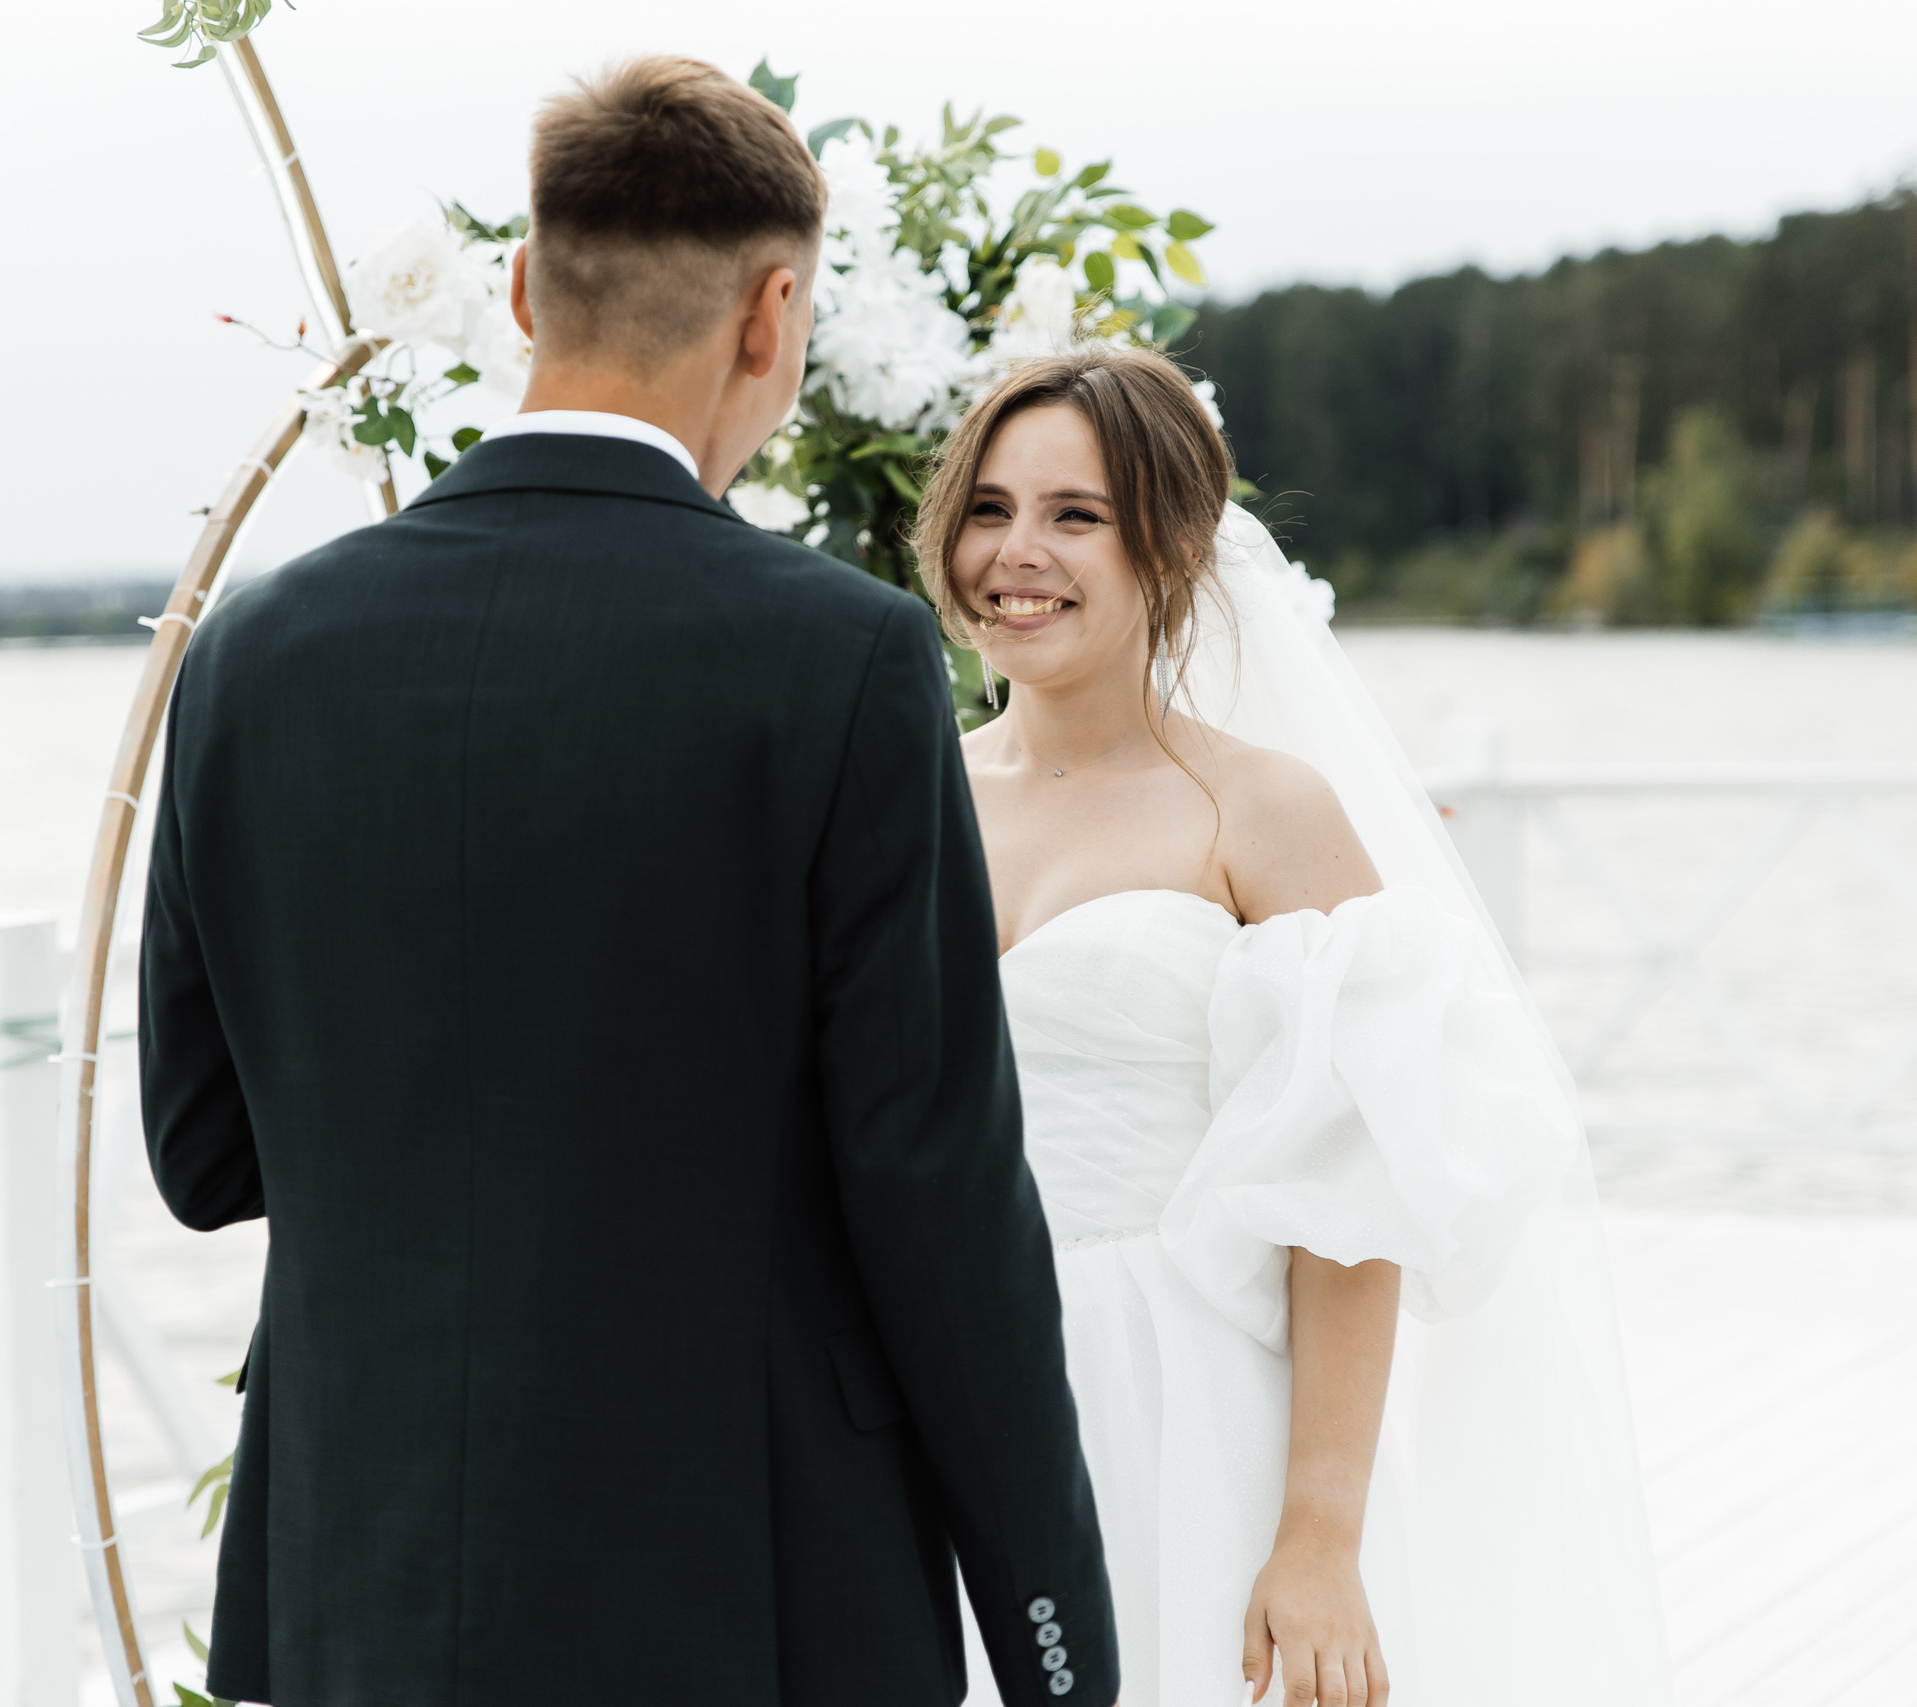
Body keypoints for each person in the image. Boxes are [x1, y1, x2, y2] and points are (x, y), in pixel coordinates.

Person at [137, 58, 1115, 1707]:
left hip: (357, 1590)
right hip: (741, 1599)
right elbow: (936, 1196)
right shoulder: (844, 660)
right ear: (772, 315)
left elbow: (204, 1151)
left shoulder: (249, 656)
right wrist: (1057, 1645)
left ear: (525, 288)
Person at [918, 348, 1670, 1707]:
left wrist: (1318, 1532)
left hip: (1186, 1389)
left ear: (1175, 543)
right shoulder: (906, 798)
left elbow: (1352, 1200)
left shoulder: (1265, 813)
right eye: (990, 508)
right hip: (944, 1391)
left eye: (1074, 516)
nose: (1017, 553)